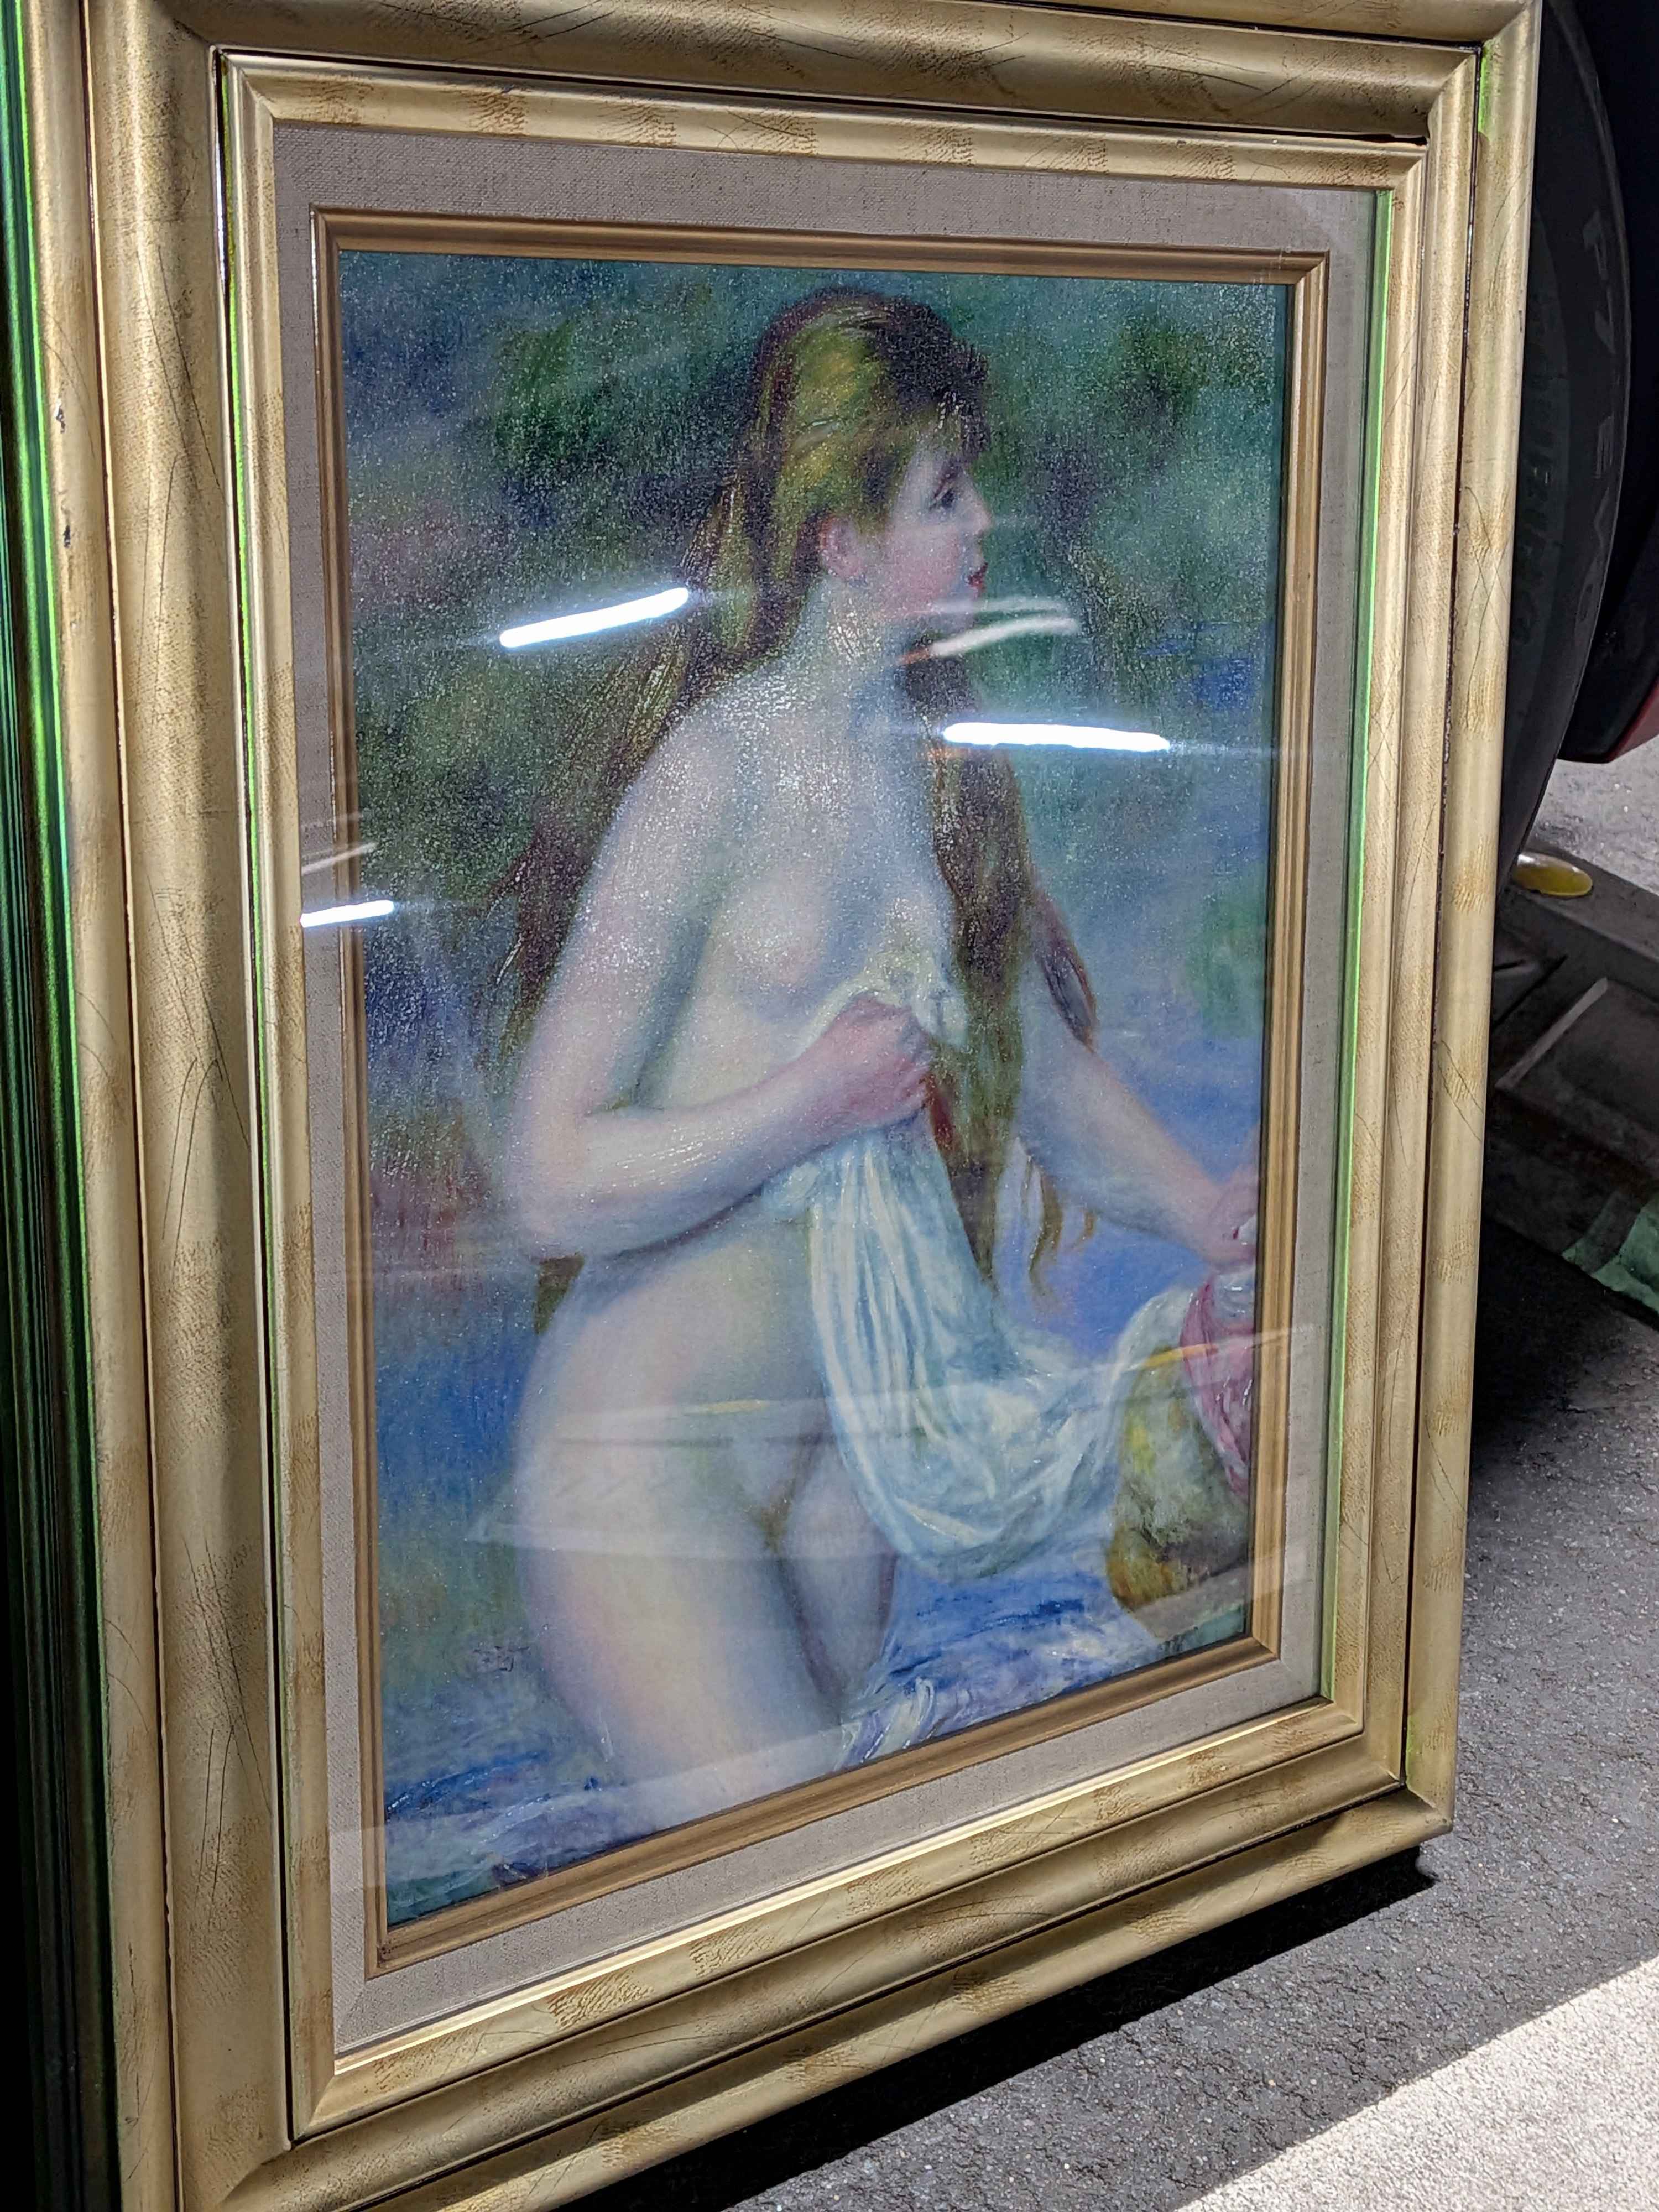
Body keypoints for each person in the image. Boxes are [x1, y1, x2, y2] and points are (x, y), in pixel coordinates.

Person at [497, 289, 1255, 1831]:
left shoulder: (937, 782)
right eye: (946, 493)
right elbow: (546, 1176)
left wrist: (1214, 1213)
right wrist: (804, 1103)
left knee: (837, 1879)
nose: (983, 525)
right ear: (842, 539)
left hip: (844, 1472)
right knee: (778, 1866)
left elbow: (1049, 1089)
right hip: (649, 1470)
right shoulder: (713, 774)